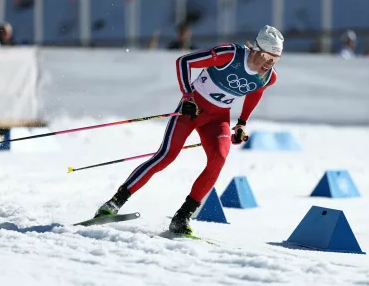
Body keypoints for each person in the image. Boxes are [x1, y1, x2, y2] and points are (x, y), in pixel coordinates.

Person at [94, 25, 284, 235]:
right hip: (192, 111)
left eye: (275, 60)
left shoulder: (268, 77)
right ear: (256, 49)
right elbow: (184, 61)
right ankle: (114, 202)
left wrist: (242, 122)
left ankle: (182, 218)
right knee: (166, 156)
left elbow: (255, 93)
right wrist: (187, 96)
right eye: (268, 56)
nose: (269, 63)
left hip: (218, 118)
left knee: (219, 158)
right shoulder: (229, 54)